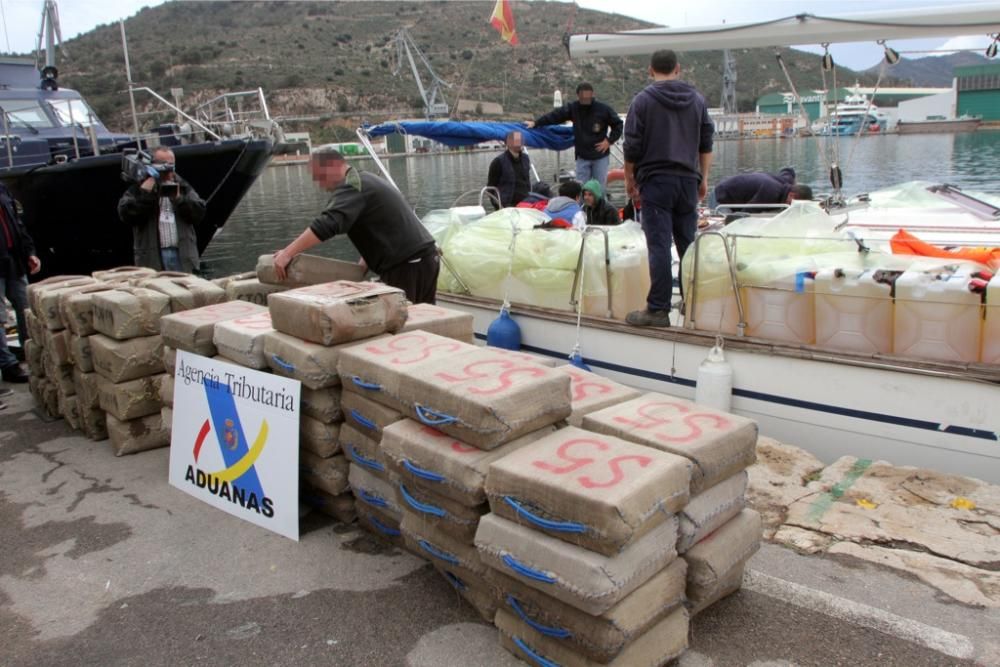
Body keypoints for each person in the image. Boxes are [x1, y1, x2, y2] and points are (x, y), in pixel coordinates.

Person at [273, 149, 439, 304]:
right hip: (424, 259)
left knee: (405, 322)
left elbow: (328, 223)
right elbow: (381, 224)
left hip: (408, 263)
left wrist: (287, 253)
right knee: (422, 318)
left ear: (334, 165)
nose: (320, 184)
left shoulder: (353, 185)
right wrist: (362, 266)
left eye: (320, 176)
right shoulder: (365, 179)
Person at [623, 49, 714, 328]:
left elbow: (632, 146)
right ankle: (692, 302)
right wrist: (704, 178)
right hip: (688, 181)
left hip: (656, 181)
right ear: (678, 68)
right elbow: (706, 142)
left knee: (660, 245)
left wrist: (630, 179)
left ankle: (658, 309)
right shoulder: (697, 100)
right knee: (687, 244)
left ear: (651, 71)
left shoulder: (643, 101)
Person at [117, 146, 207, 273]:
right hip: (152, 259)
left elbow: (199, 213)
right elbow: (126, 215)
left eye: (171, 165)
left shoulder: (182, 186)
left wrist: (179, 199)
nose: (168, 170)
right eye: (163, 165)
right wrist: (146, 193)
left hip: (182, 256)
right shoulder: (139, 188)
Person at [526, 83, 623, 191]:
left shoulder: (603, 109)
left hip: (600, 156)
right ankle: (581, 207)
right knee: (581, 190)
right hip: (582, 157)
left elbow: (618, 124)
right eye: (583, 98)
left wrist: (609, 141)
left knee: (599, 190)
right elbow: (555, 116)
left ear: (592, 94)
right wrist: (536, 123)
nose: (586, 100)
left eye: (588, 97)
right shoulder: (573, 108)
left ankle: (599, 207)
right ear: (578, 96)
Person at [0, 182, 39, 385]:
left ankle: (31, 353)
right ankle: (8, 365)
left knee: (25, 308)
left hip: (14, 260)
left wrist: (29, 252)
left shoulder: (3, 189)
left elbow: (17, 223)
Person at [713, 167, 813, 209]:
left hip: (732, 192)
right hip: (720, 197)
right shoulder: (771, 192)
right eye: (795, 204)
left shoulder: (785, 183)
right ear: (792, 195)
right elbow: (747, 213)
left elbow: (789, 171)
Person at [486, 131, 532, 210]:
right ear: (507, 143)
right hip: (506, 206)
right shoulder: (498, 162)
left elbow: (527, 181)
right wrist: (498, 206)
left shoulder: (526, 158)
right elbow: (490, 188)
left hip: (525, 204)